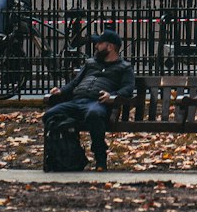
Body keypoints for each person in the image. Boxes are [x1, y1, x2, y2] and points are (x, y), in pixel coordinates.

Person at [43, 28, 135, 172]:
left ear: (109, 47)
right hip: (76, 102)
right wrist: (61, 91)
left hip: (97, 103)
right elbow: (74, 83)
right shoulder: (91, 63)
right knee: (50, 115)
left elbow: (128, 89)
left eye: (99, 43)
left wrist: (111, 96)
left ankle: (100, 159)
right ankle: (66, 154)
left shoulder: (124, 67)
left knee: (93, 115)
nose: (96, 46)